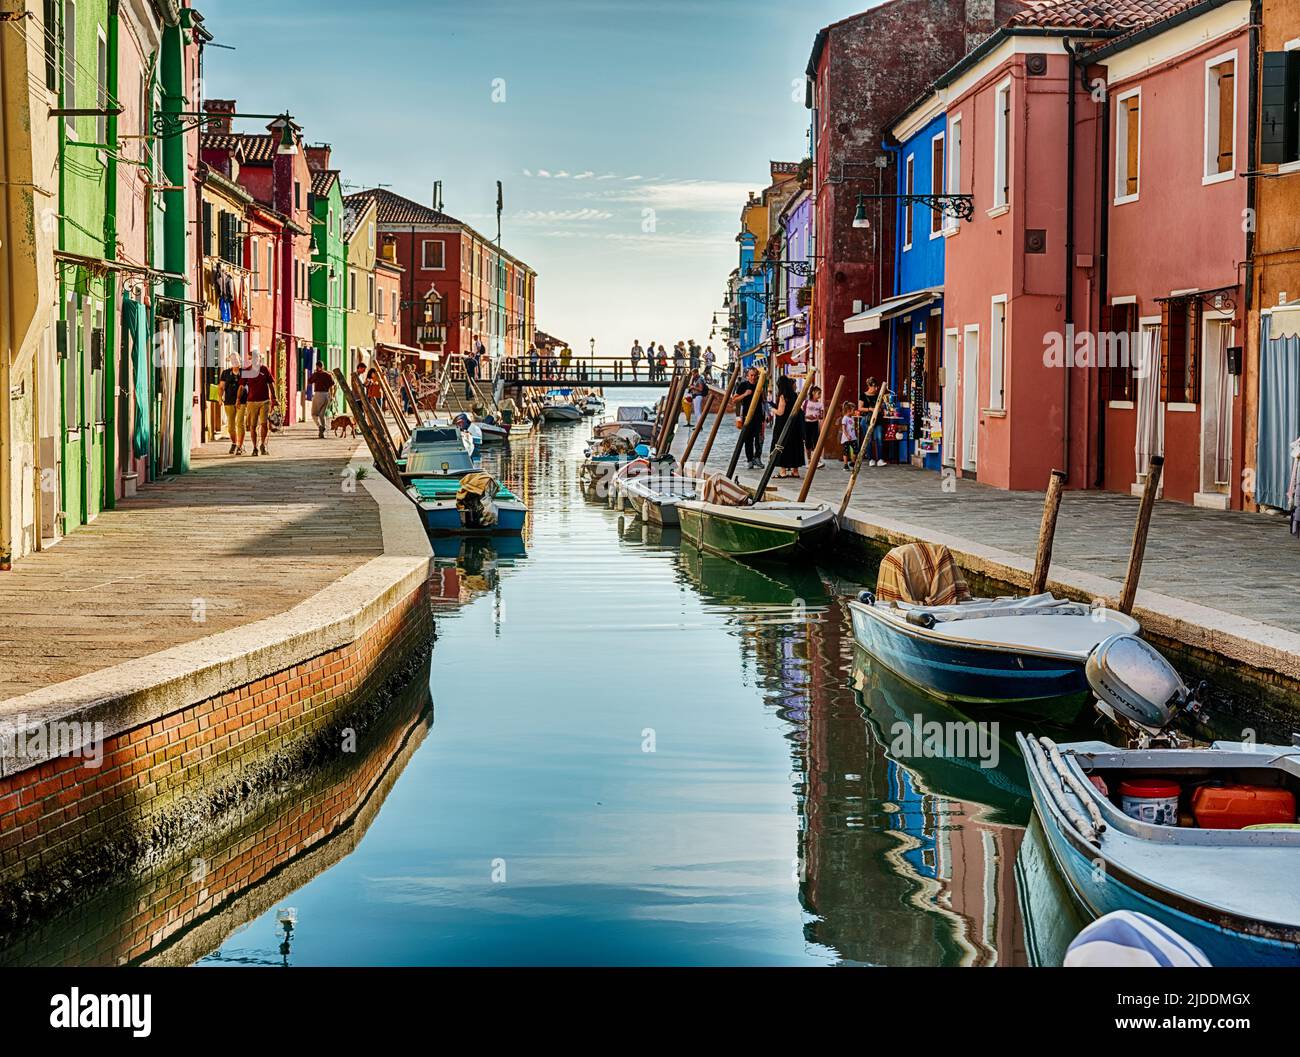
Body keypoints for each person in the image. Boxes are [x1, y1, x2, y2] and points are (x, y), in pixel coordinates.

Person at [770, 374, 806, 478]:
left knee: (782, 445)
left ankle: (783, 471)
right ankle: (795, 471)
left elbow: (781, 412)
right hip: (795, 425)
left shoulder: (783, 396)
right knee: (794, 446)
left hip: (783, 425)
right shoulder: (795, 396)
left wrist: (772, 409)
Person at [729, 366, 766, 470]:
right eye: (751, 375)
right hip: (747, 416)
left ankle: (757, 458)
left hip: (759, 416)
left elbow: (763, 400)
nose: (753, 377)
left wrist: (766, 415)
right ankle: (749, 460)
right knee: (748, 439)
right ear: (747, 376)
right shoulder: (743, 385)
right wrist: (745, 394)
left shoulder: (760, 384)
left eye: (755, 375)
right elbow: (734, 399)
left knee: (759, 439)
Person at [242, 355, 275, 456]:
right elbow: (241, 386)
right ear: (251, 360)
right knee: (253, 426)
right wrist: (238, 399)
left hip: (264, 401)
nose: (255, 360)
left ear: (259, 359)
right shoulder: (247, 371)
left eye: (257, 358)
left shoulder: (264, 369)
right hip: (251, 402)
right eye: (253, 358)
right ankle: (255, 447)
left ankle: (263, 445)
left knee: (264, 424)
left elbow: (271, 384)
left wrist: (274, 398)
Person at [218, 354, 245, 455]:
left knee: (240, 424)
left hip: (242, 401)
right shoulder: (225, 373)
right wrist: (220, 398)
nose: (234, 361)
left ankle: (240, 446)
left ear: (240, 359)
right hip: (228, 401)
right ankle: (234, 443)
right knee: (230, 426)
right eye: (232, 359)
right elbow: (221, 387)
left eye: (236, 359)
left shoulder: (244, 372)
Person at [858, 377, 887, 466]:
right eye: (874, 387)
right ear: (870, 386)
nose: (876, 388)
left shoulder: (878, 395)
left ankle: (880, 459)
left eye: (877, 387)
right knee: (868, 439)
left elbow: (882, 407)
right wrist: (870, 409)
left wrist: (881, 409)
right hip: (866, 419)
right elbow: (860, 408)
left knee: (879, 438)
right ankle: (871, 459)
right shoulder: (863, 395)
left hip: (877, 419)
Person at [308, 361, 336, 439]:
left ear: (317, 366)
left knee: (314, 414)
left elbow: (309, 381)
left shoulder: (316, 374)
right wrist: (332, 396)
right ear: (323, 366)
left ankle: (320, 426)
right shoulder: (328, 375)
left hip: (318, 394)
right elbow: (332, 386)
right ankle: (322, 432)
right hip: (327, 395)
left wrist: (314, 374)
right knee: (321, 415)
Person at [803, 384, 825, 465]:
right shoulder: (806, 402)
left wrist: (818, 416)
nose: (820, 395)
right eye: (818, 393)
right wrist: (808, 416)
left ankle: (816, 460)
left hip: (815, 424)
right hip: (806, 424)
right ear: (813, 393)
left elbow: (822, 416)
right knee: (807, 442)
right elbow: (802, 414)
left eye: (820, 393)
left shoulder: (820, 404)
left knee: (816, 442)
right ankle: (809, 460)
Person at [839, 400, 858, 470]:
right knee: (846, 451)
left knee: (856, 450)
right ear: (849, 410)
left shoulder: (852, 418)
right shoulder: (845, 418)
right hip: (846, 438)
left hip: (853, 437)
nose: (854, 411)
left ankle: (852, 462)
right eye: (853, 410)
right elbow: (844, 429)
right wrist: (847, 435)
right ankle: (845, 464)